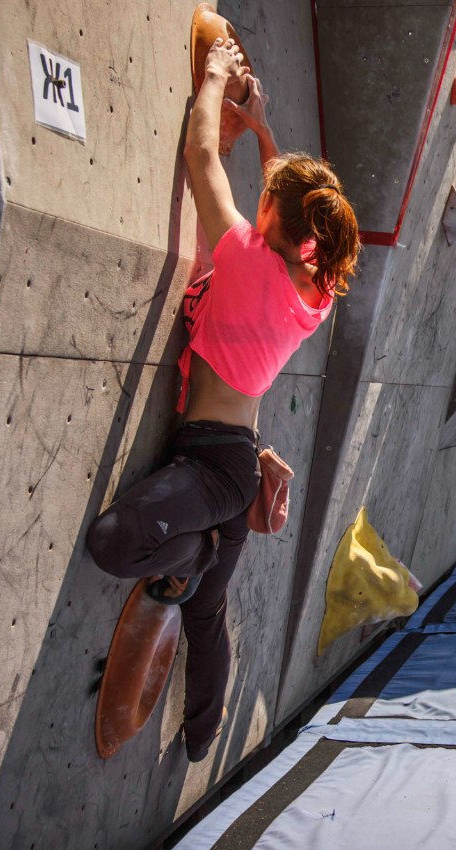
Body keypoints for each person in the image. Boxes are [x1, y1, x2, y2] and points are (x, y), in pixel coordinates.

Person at [86, 37, 359, 761]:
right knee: (205, 619)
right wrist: (265, 131)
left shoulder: (242, 256)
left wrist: (212, 84)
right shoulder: (314, 296)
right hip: (233, 464)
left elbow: (203, 158)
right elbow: (299, 210)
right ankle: (203, 737)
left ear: (267, 214)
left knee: (116, 543)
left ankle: (194, 553)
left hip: (215, 474)